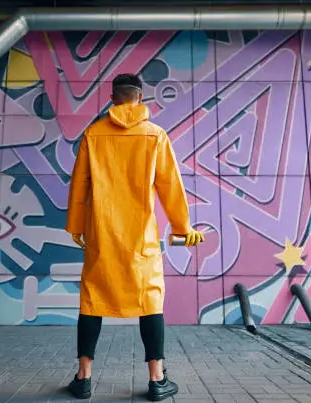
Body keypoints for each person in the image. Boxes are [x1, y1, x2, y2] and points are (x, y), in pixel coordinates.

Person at [65, 73, 204, 401]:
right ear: (140, 99)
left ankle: (84, 377)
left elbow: (79, 184)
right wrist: (183, 228)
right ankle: (157, 379)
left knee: (91, 300)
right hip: (141, 236)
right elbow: (171, 186)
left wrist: (76, 227)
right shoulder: (155, 135)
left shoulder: (93, 134)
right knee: (150, 300)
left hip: (101, 233)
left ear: (113, 100)